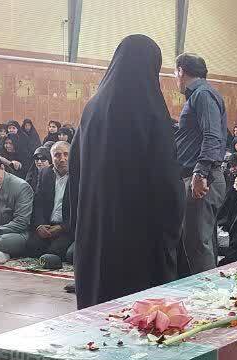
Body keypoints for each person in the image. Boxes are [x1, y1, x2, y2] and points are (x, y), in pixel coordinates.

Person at [74, 35, 186, 308]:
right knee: (136, 312)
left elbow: (76, 172)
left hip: (96, 230)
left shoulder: (92, 109)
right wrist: (173, 223)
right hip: (139, 235)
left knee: (100, 307)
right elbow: (167, 181)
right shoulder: (152, 112)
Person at [174, 52, 228, 276]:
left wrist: (200, 173)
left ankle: (207, 293)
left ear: (181, 71)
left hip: (204, 180)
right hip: (202, 177)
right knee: (199, 243)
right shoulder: (200, 94)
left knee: (198, 245)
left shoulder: (202, 94)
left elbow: (212, 135)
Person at [26, 141, 76, 263]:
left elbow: (82, 209)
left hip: (68, 228)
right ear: (51, 158)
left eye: (66, 154)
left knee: (55, 251)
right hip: (48, 226)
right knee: (31, 247)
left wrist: (62, 227)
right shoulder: (45, 173)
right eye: (57, 155)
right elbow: (38, 203)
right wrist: (40, 225)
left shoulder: (79, 176)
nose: (62, 159)